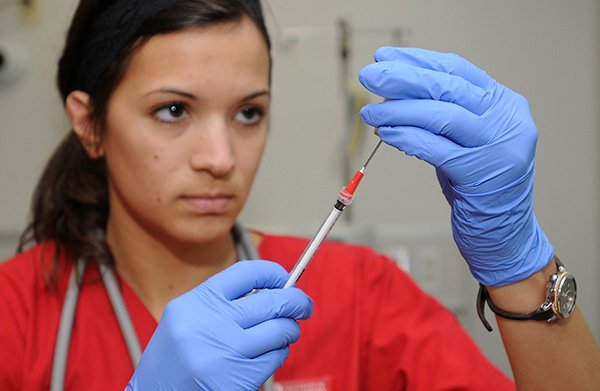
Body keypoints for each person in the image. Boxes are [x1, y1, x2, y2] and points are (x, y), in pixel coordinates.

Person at [0, 0, 598, 390]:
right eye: (173, 110)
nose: (222, 158)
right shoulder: (17, 315)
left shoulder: (357, 293)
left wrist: (519, 264)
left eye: (249, 112)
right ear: (90, 125)